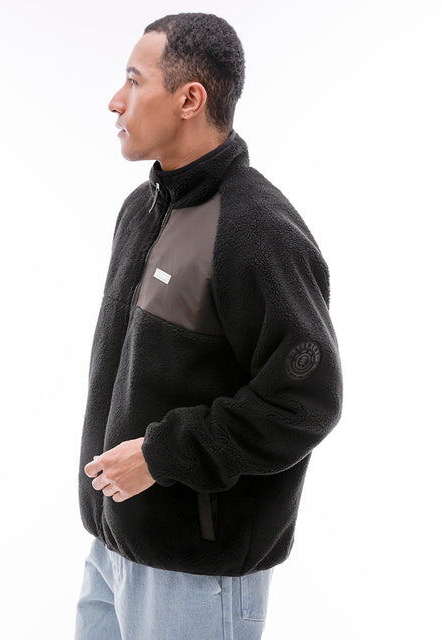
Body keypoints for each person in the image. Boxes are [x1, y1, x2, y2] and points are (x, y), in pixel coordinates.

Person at [74, 12, 343, 640]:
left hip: (197, 575)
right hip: (113, 548)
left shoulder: (257, 231)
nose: (116, 101)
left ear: (190, 98)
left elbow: (306, 402)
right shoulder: (141, 211)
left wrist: (162, 454)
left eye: (134, 81)